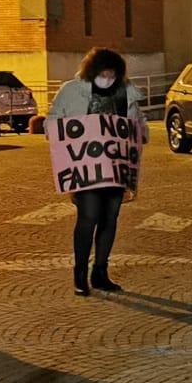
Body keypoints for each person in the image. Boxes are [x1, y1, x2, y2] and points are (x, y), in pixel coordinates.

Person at [48, 47, 147, 295]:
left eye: (112, 74)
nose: (107, 78)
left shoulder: (126, 94)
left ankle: (100, 271)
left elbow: (139, 125)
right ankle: (80, 273)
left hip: (116, 169)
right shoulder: (72, 91)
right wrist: (60, 132)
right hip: (85, 169)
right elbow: (53, 120)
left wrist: (140, 134)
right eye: (103, 73)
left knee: (109, 219)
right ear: (92, 72)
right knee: (88, 216)